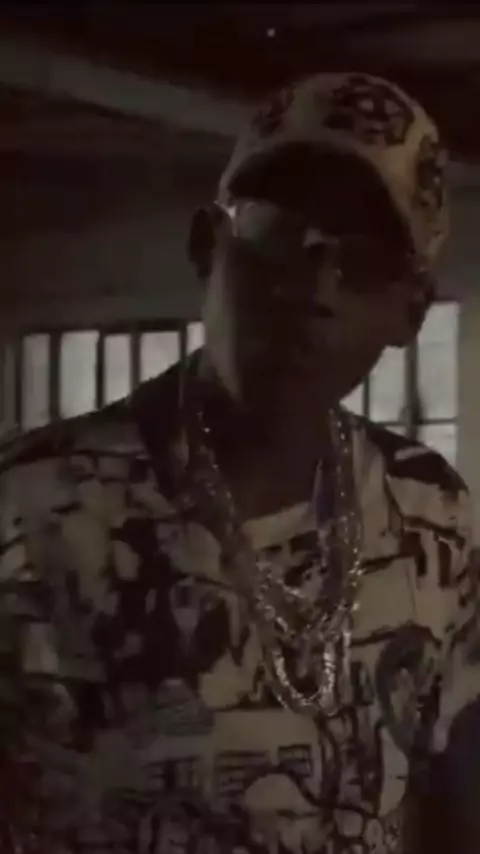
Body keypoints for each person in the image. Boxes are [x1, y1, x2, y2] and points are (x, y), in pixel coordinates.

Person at [0, 72, 478, 854]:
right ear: (207, 246)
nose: (314, 287)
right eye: (279, 233)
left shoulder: (430, 511)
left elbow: (448, 795)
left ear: (410, 313)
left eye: (361, 262)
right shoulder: (27, 508)